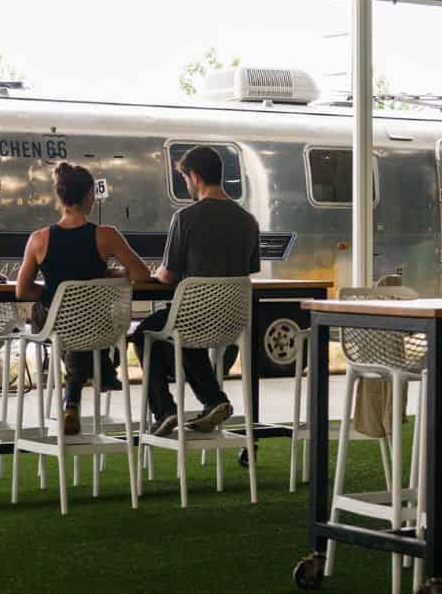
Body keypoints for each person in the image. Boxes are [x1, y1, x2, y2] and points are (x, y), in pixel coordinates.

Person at [16, 161, 152, 435]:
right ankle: (101, 369)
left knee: (68, 325)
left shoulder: (39, 239)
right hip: (99, 326)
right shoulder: (107, 235)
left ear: (60, 196)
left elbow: (22, 291)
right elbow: (141, 274)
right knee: (85, 327)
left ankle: (73, 399)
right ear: (90, 194)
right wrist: (109, 274)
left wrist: (54, 293)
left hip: (56, 324)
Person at [134, 145, 261, 436]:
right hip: (233, 322)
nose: (187, 186)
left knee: (145, 333)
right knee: (186, 330)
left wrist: (155, 273)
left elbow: (168, 277)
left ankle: (165, 410)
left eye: (186, 180)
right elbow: (249, 270)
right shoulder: (248, 221)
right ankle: (213, 400)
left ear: (195, 176)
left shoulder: (185, 218)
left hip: (193, 318)